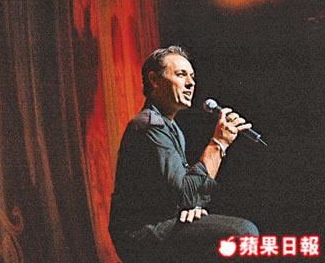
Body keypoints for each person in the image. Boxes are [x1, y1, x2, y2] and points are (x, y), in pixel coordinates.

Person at [108, 46, 259, 262]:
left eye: (192, 77)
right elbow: (185, 193)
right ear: (154, 80)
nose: (191, 83)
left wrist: (192, 206)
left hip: (162, 221)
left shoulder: (171, 127)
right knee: (243, 233)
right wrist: (219, 142)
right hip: (142, 233)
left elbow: (187, 193)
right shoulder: (150, 126)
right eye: (181, 75)